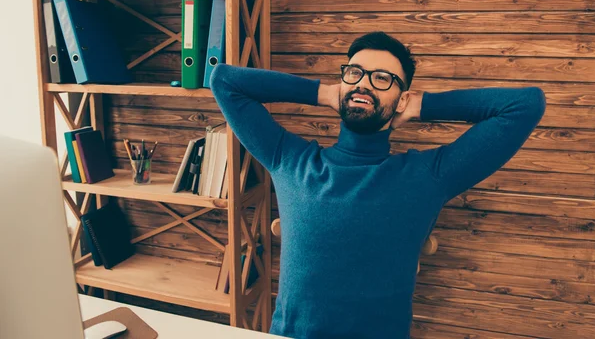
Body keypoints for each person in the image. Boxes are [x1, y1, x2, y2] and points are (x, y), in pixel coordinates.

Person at [209, 31, 546, 339]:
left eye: (382, 78)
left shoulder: (428, 175)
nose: (364, 85)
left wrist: (420, 106)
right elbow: (224, 81)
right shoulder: (290, 159)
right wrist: (325, 93)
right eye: (354, 74)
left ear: (402, 98)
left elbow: (524, 105)